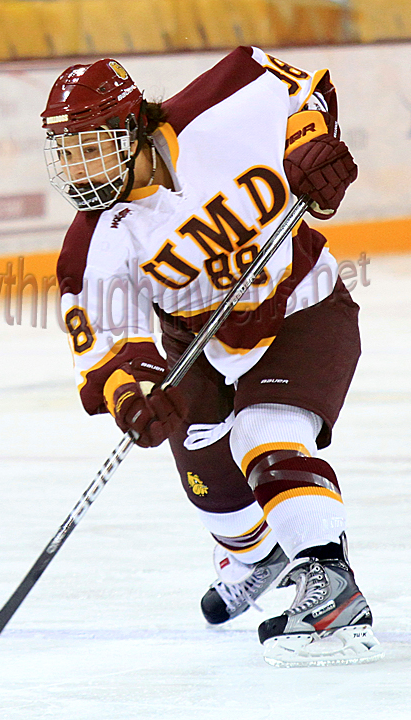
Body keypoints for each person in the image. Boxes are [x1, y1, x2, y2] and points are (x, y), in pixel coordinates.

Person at [41, 47, 383, 666]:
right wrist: (133, 394)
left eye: (92, 144)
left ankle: (330, 586)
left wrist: (312, 148)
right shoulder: (97, 233)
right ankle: (257, 557)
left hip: (302, 309)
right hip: (198, 344)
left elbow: (304, 91)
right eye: (69, 151)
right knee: (210, 486)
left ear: (134, 128)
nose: (79, 167)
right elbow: (106, 338)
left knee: (264, 434)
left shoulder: (225, 99)